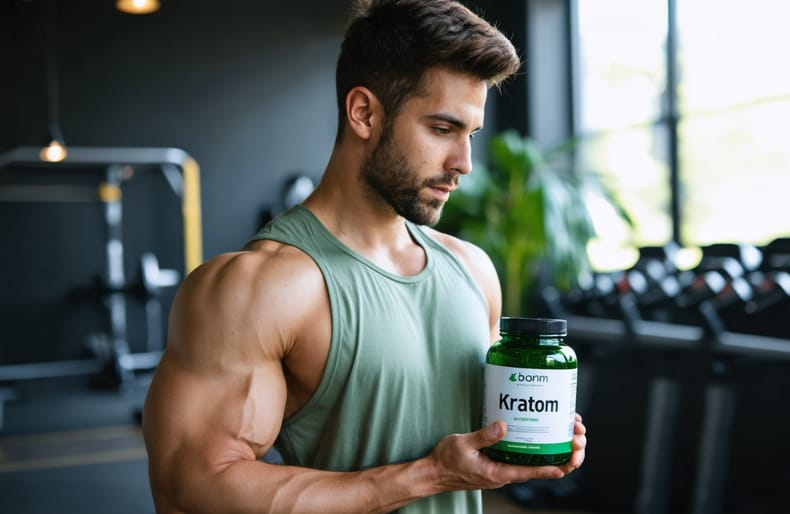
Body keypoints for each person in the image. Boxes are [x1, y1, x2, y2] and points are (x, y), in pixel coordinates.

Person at [142, 0, 587, 512]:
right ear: (364, 113)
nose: (463, 163)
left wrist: (531, 437)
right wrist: (428, 475)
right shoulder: (261, 286)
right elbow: (189, 488)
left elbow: (479, 447)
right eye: (442, 129)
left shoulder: (473, 270)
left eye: (471, 135)